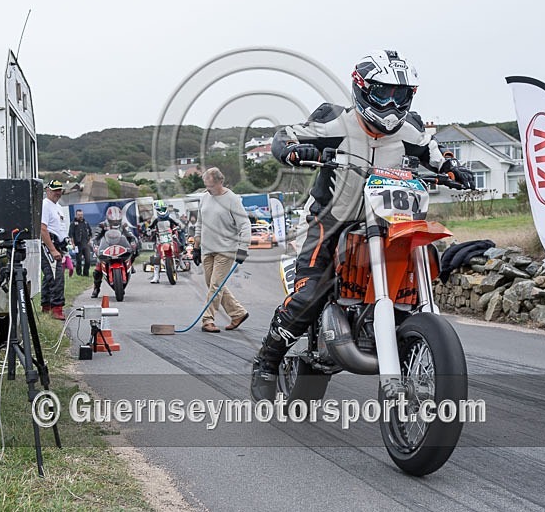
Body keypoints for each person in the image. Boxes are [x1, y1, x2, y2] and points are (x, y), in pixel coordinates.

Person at [250, 49, 474, 402]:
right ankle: (268, 360)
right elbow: (286, 136)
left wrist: (451, 168)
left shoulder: (411, 129)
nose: (390, 102)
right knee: (309, 293)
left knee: (425, 264)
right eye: (382, 92)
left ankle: (420, 335)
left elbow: (435, 152)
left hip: (391, 221)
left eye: (399, 95)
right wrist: (293, 150)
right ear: (361, 88)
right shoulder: (335, 122)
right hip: (332, 221)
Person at [193, 167, 251, 333]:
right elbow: (199, 223)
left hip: (226, 250)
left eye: (210, 186)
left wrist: (243, 248)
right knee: (212, 285)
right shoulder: (204, 198)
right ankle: (238, 313)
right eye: (206, 185)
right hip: (207, 249)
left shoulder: (232, 199)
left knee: (215, 285)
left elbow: (244, 225)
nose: (207, 189)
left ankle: (207, 320)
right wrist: (196, 247)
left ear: (220, 182)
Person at [91, 205, 139, 298]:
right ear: (108, 219)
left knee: (134, 252)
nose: (115, 222)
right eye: (113, 221)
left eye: (117, 220)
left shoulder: (123, 225)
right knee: (97, 269)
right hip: (106, 248)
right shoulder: (102, 225)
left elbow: (130, 236)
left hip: (120, 247)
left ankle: (130, 265)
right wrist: (95, 245)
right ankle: (96, 288)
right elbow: (95, 238)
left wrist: (133, 242)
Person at [40, 180, 69, 320]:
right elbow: (42, 229)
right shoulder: (45, 205)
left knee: (49, 277)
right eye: (55, 190)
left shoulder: (58, 206)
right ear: (47, 190)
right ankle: (57, 308)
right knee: (56, 277)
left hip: (58, 244)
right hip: (48, 244)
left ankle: (46, 306)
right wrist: (52, 249)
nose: (58, 193)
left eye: (59, 190)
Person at [148, 200, 184, 284]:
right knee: (157, 255)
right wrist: (149, 231)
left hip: (170, 235)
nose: (162, 211)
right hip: (159, 237)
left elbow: (178, 224)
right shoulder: (154, 218)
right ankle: (156, 276)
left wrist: (179, 226)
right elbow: (150, 227)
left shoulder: (171, 216)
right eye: (159, 209)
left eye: (163, 209)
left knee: (179, 244)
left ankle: (181, 260)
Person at [70, 209, 94, 276]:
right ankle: (79, 273)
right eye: (79, 215)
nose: (80, 216)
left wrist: (89, 241)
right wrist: (73, 244)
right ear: (76, 215)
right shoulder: (73, 223)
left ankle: (86, 273)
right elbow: (71, 234)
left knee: (88, 260)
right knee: (79, 260)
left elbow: (90, 233)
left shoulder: (86, 223)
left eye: (81, 215)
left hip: (86, 244)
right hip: (78, 245)